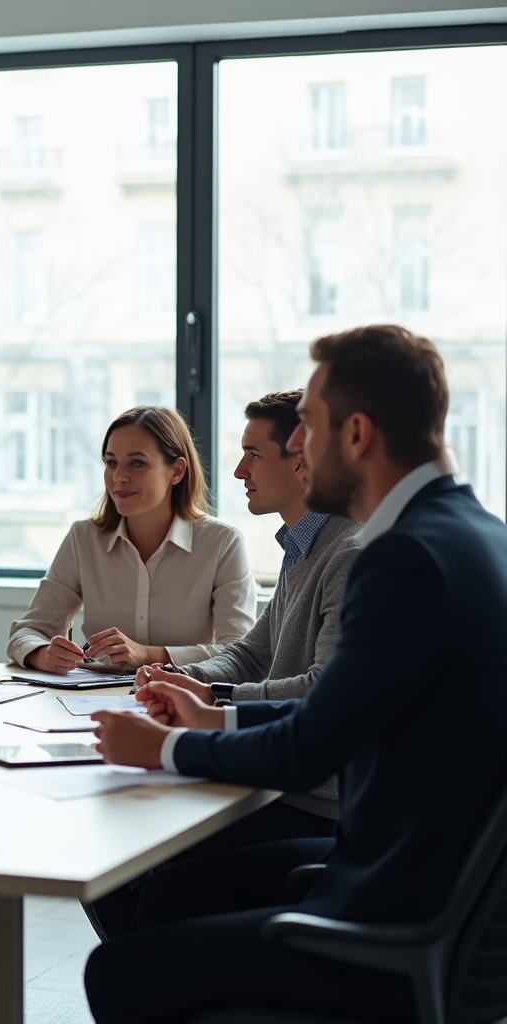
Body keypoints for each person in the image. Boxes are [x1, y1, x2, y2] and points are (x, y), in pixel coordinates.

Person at [85, 324, 507, 1023]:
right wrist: (213, 713)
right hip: (446, 904)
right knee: (169, 900)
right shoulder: (480, 535)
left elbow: (311, 744)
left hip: (389, 923)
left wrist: (160, 747)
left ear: (358, 433)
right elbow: (341, 711)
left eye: (308, 426)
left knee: (119, 972)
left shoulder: (399, 557)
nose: (299, 449)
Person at [83, 390, 360, 940]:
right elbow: (254, 651)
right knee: (115, 845)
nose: (238, 470)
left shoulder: (347, 553)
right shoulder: (305, 545)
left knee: (132, 856)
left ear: (300, 459)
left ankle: (149, 985)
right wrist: (185, 680)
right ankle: (151, 984)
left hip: (316, 800)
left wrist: (214, 701)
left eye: (253, 454)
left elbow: (318, 689)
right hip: (279, 778)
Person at [7, 406, 256, 673]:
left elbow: (239, 654)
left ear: (177, 471)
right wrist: (44, 654)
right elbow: (25, 634)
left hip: (183, 702)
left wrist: (148, 655)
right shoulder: (83, 538)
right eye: (111, 462)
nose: (118, 477)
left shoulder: (222, 542)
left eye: (137, 463)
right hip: (91, 702)